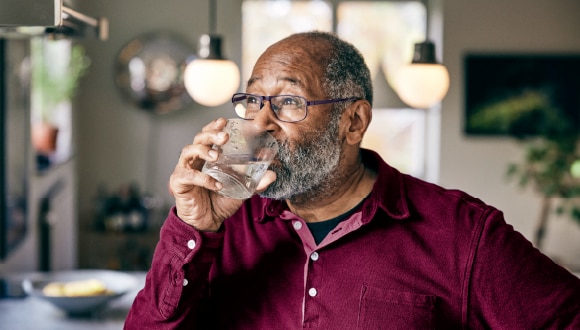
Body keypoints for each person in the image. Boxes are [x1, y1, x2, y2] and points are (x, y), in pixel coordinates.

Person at [125, 31, 580, 329]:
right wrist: (194, 227)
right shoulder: (221, 227)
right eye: (252, 101)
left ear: (354, 121)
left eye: (287, 102)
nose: (258, 123)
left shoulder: (461, 233)